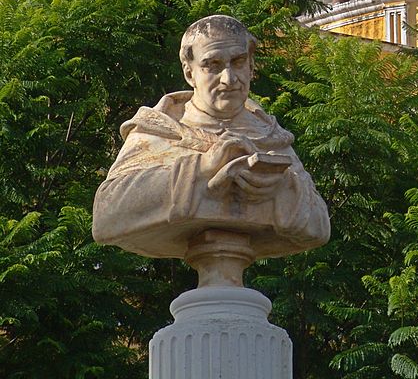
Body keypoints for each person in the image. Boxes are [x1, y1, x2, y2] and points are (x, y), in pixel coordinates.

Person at [92, 15, 330, 262]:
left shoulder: (272, 138)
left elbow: (320, 226)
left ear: (250, 65)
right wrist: (201, 170)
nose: (229, 78)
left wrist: (281, 190)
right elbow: (106, 214)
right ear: (189, 73)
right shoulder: (157, 130)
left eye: (238, 62)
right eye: (213, 65)